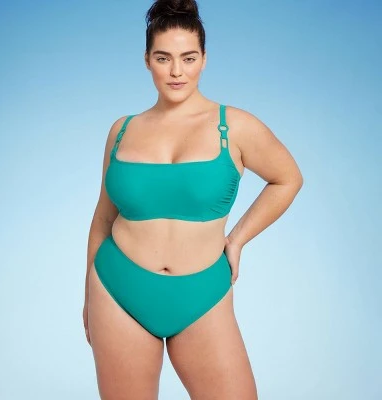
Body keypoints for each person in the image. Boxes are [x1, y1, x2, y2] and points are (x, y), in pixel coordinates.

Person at [83, 0, 303, 398]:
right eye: (163, 58)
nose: (176, 71)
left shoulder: (234, 126)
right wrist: (88, 293)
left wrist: (237, 240)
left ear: (204, 60)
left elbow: (287, 179)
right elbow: (102, 218)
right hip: (117, 291)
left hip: (203, 294)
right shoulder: (122, 130)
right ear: (147, 60)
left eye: (188, 58)